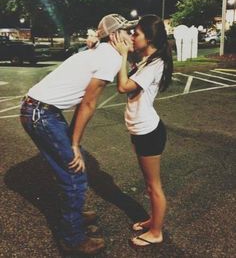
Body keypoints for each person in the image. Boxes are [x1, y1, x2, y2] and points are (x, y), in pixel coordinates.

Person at [20, 13, 137, 255]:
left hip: (38, 109)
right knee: (75, 174)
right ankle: (72, 238)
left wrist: (74, 144)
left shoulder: (102, 52)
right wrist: (73, 144)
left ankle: (73, 214)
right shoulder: (110, 58)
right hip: (40, 112)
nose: (133, 35)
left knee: (73, 166)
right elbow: (88, 104)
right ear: (115, 36)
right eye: (128, 31)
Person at [112, 14, 173, 247]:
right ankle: (152, 220)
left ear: (150, 37)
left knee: (153, 186)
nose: (132, 37)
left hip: (149, 132)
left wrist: (124, 54)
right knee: (149, 184)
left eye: (136, 33)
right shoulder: (147, 60)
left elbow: (123, 86)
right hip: (141, 130)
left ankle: (156, 232)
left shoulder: (156, 64)